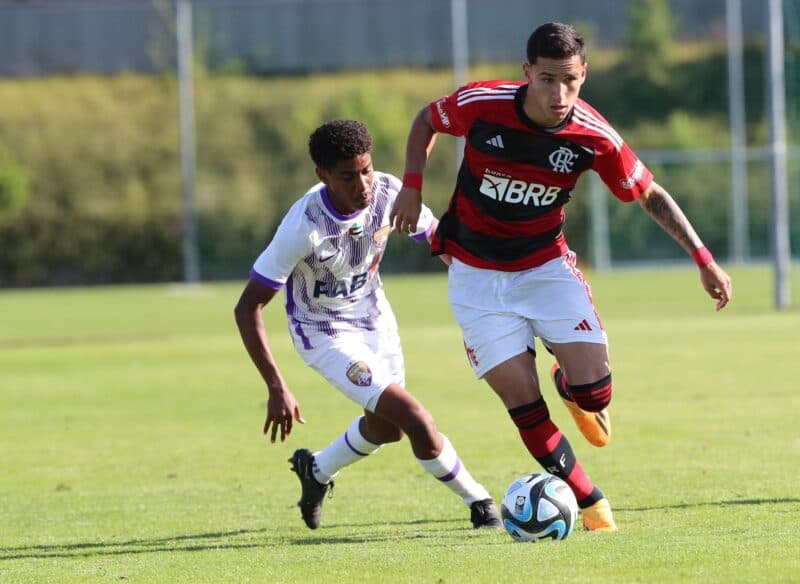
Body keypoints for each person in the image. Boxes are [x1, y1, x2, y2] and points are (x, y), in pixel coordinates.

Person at [390, 22, 733, 532]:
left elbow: (649, 194)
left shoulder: (594, 136)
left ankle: (572, 388)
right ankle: (589, 500)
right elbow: (426, 120)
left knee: (596, 395)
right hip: (476, 275)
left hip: (545, 268)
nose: (558, 93)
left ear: (584, 74)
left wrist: (703, 258)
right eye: (547, 79)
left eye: (569, 80)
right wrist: (412, 187)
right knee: (522, 402)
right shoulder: (483, 103)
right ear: (527, 72)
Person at [234, 119, 502, 531]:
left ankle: (316, 470)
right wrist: (276, 386)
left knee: (386, 429)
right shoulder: (302, 228)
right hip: (325, 334)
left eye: (366, 170)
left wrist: (484, 286)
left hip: (375, 318)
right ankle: (481, 505)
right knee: (415, 419)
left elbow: (438, 240)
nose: (362, 185)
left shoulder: (389, 193)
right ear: (322, 175)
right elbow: (247, 306)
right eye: (347, 176)